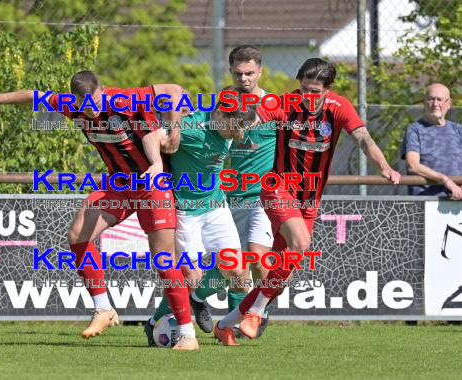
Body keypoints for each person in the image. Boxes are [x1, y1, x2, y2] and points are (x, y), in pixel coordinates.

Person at [0, 71, 200, 350]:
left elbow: (173, 89)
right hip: (120, 186)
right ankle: (103, 309)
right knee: (77, 234)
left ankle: (187, 334)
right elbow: (32, 95)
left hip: (152, 184)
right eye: (87, 105)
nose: (94, 109)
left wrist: (174, 130)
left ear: (103, 90)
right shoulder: (72, 105)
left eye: (97, 102)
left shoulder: (124, 98)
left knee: (163, 259)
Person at [214, 58, 401, 346]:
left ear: (328, 89)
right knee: (301, 244)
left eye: (315, 92)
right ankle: (256, 312)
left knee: (280, 274)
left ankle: (225, 324)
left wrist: (384, 166)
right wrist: (238, 121)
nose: (308, 97)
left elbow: (363, 138)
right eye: (304, 89)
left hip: (309, 200)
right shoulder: (286, 104)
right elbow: (256, 117)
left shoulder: (339, 108)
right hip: (277, 188)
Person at [144, 87, 256, 345]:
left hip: (216, 208)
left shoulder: (233, 120)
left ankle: (196, 301)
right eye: (235, 127)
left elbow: (251, 120)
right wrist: (158, 164)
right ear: (219, 114)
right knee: (191, 277)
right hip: (187, 213)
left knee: (239, 273)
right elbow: (151, 139)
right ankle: (153, 323)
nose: (238, 134)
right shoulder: (191, 127)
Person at [188, 45, 276, 338]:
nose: (244, 79)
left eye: (250, 73)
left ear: (260, 72)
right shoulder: (220, 110)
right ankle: (208, 306)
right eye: (238, 73)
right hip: (229, 197)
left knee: (255, 255)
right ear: (230, 72)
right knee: (232, 266)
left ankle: (255, 311)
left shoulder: (276, 108)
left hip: (264, 195)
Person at [401, 83, 462, 200]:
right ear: (424, 102)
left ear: (449, 103)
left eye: (439, 99)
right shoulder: (414, 130)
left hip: (457, 199)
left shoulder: (458, 130)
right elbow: (413, 166)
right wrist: (445, 180)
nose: (435, 104)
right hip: (426, 201)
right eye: (431, 99)